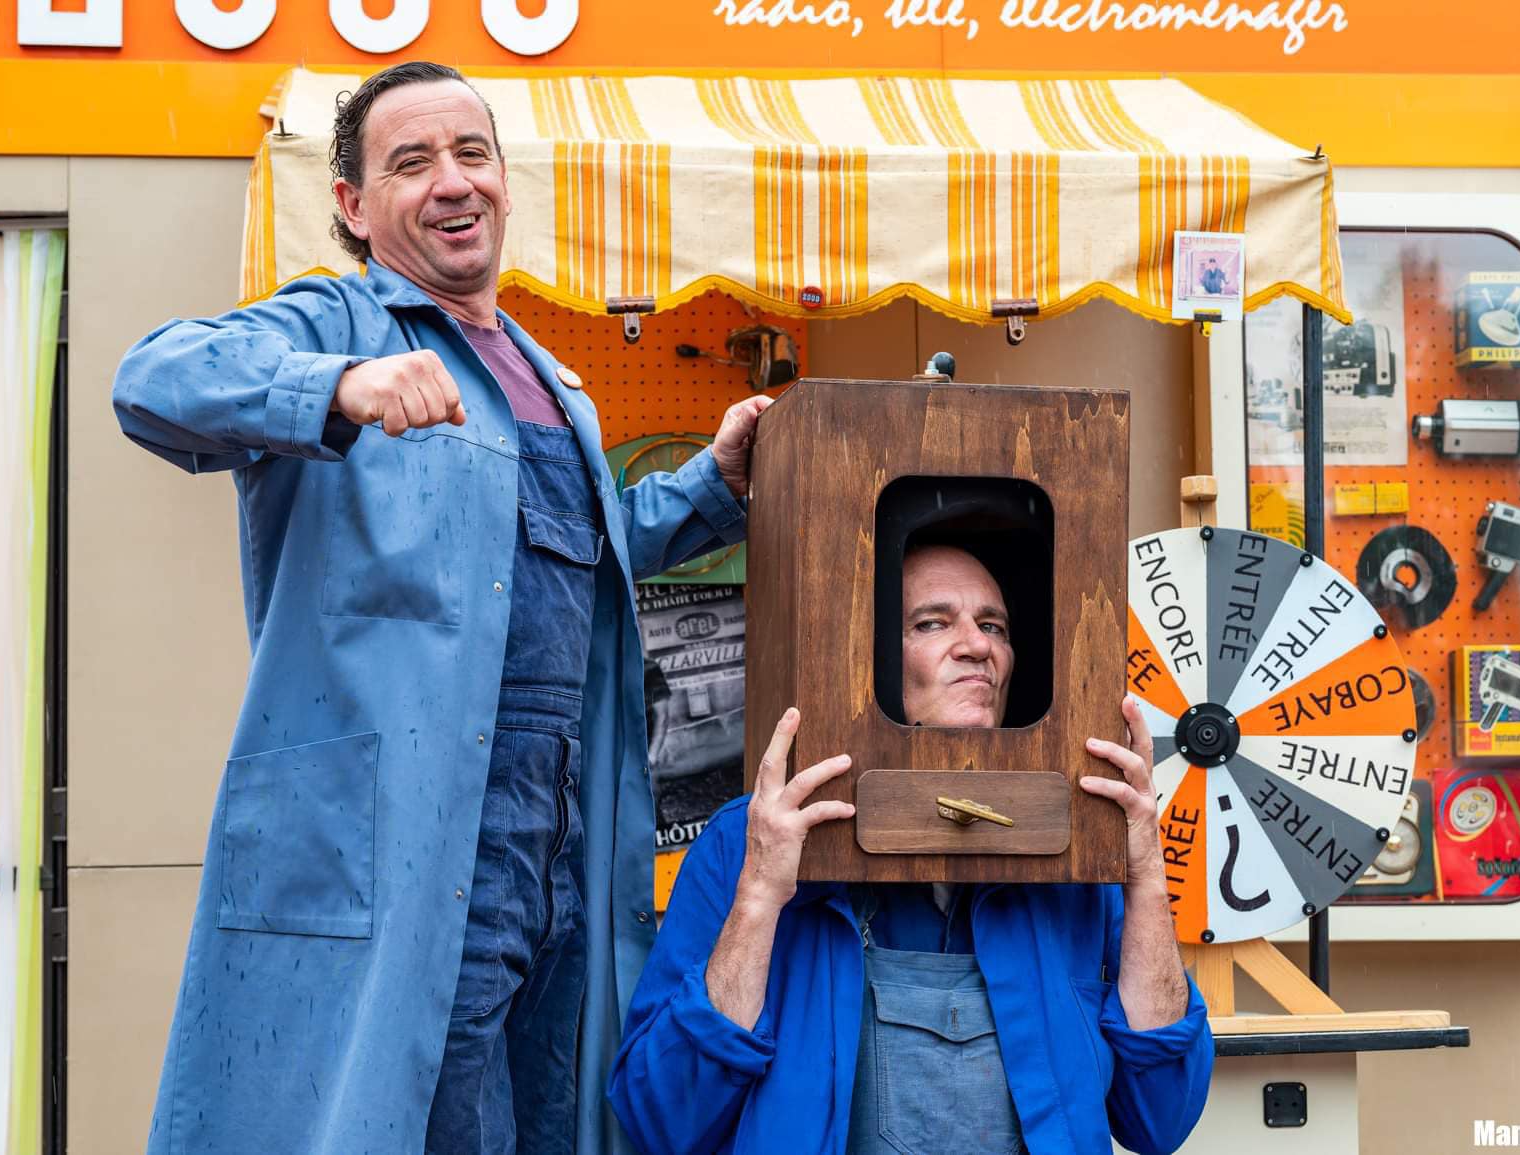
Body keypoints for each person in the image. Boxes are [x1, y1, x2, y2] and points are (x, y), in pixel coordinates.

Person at [114, 61, 767, 1155]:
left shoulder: (552, 381)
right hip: (411, 842)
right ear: (353, 205)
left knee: (550, 1121)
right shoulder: (338, 318)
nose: (451, 181)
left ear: (504, 180)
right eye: (410, 162)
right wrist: (336, 386)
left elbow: (580, 552)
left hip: (561, 841)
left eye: (471, 153)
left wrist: (714, 484)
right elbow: (152, 376)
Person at [608, 545, 1214, 1154]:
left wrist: (1145, 878)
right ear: (869, 660)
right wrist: (761, 897)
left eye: (993, 626)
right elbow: (664, 1121)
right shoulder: (748, 840)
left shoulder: (1081, 844)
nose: (976, 645)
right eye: (932, 623)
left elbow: (1159, 1118)